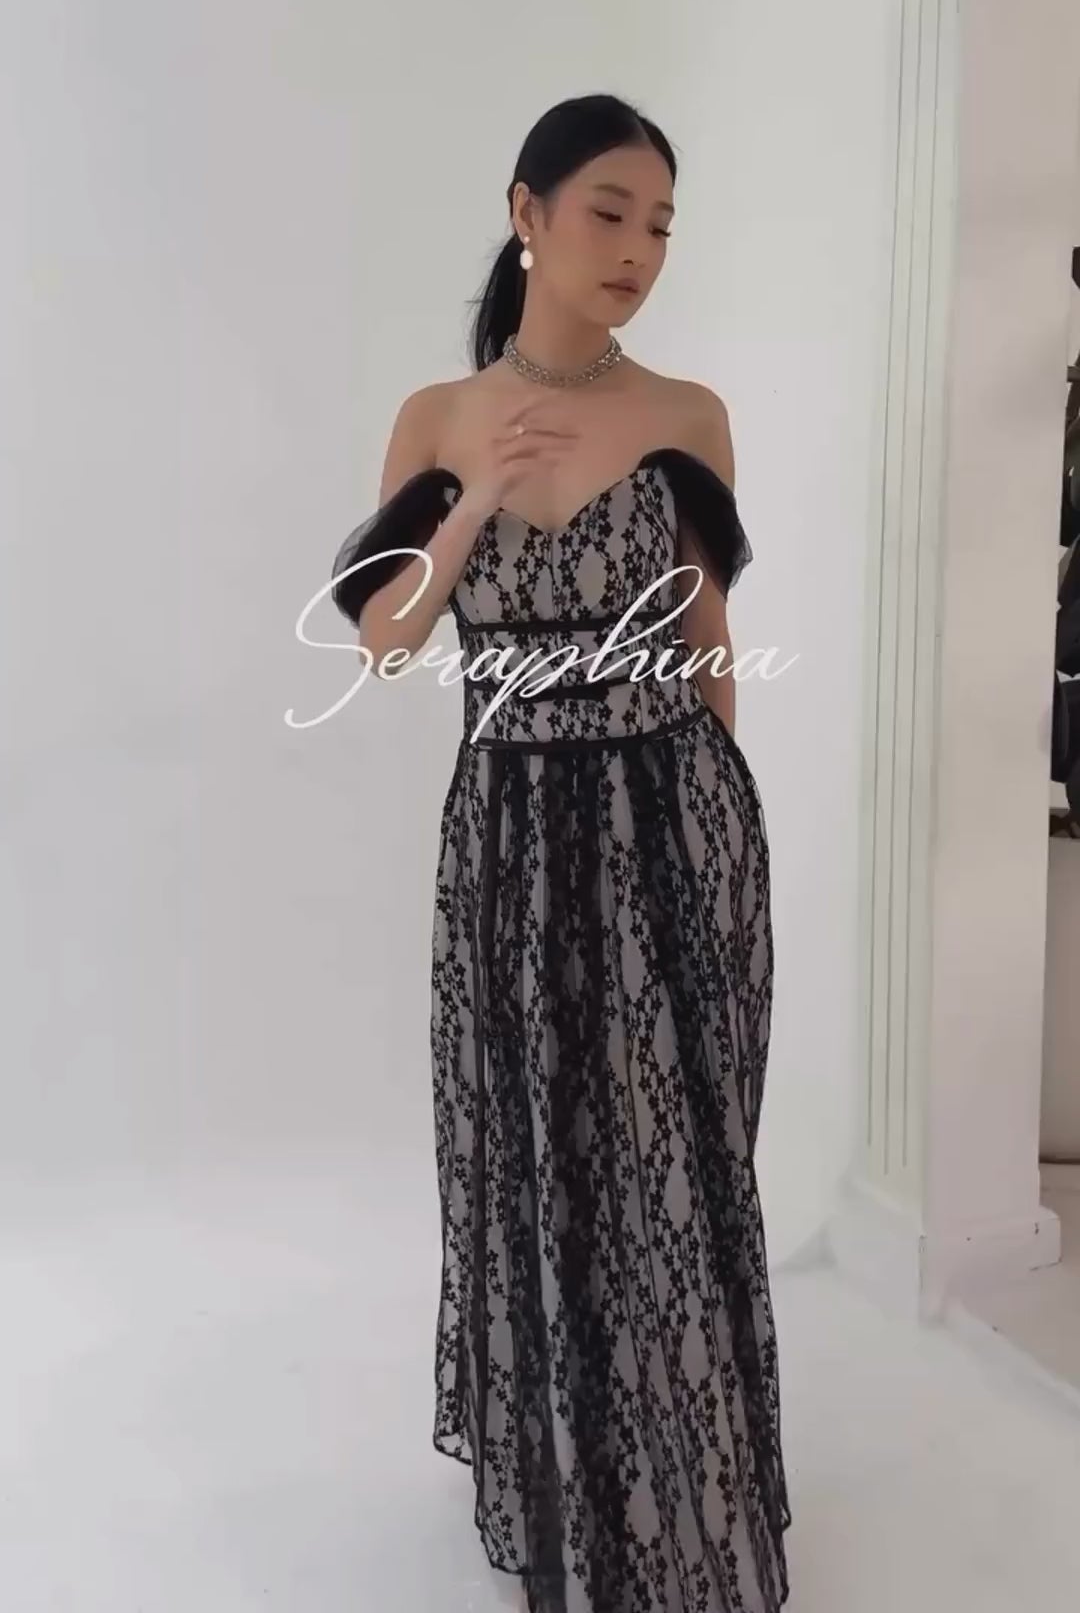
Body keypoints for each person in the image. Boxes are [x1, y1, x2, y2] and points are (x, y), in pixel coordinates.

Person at [331, 93, 791, 1613]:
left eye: (660, 224)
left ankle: (682, 1466)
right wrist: (469, 505)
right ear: (526, 214)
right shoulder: (439, 417)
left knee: (668, 1154)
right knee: (537, 1147)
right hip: (512, 834)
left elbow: (708, 651)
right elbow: (388, 642)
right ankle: (565, 1474)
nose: (639, 250)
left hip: (671, 818)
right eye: (609, 212)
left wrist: (726, 843)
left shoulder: (689, 417)